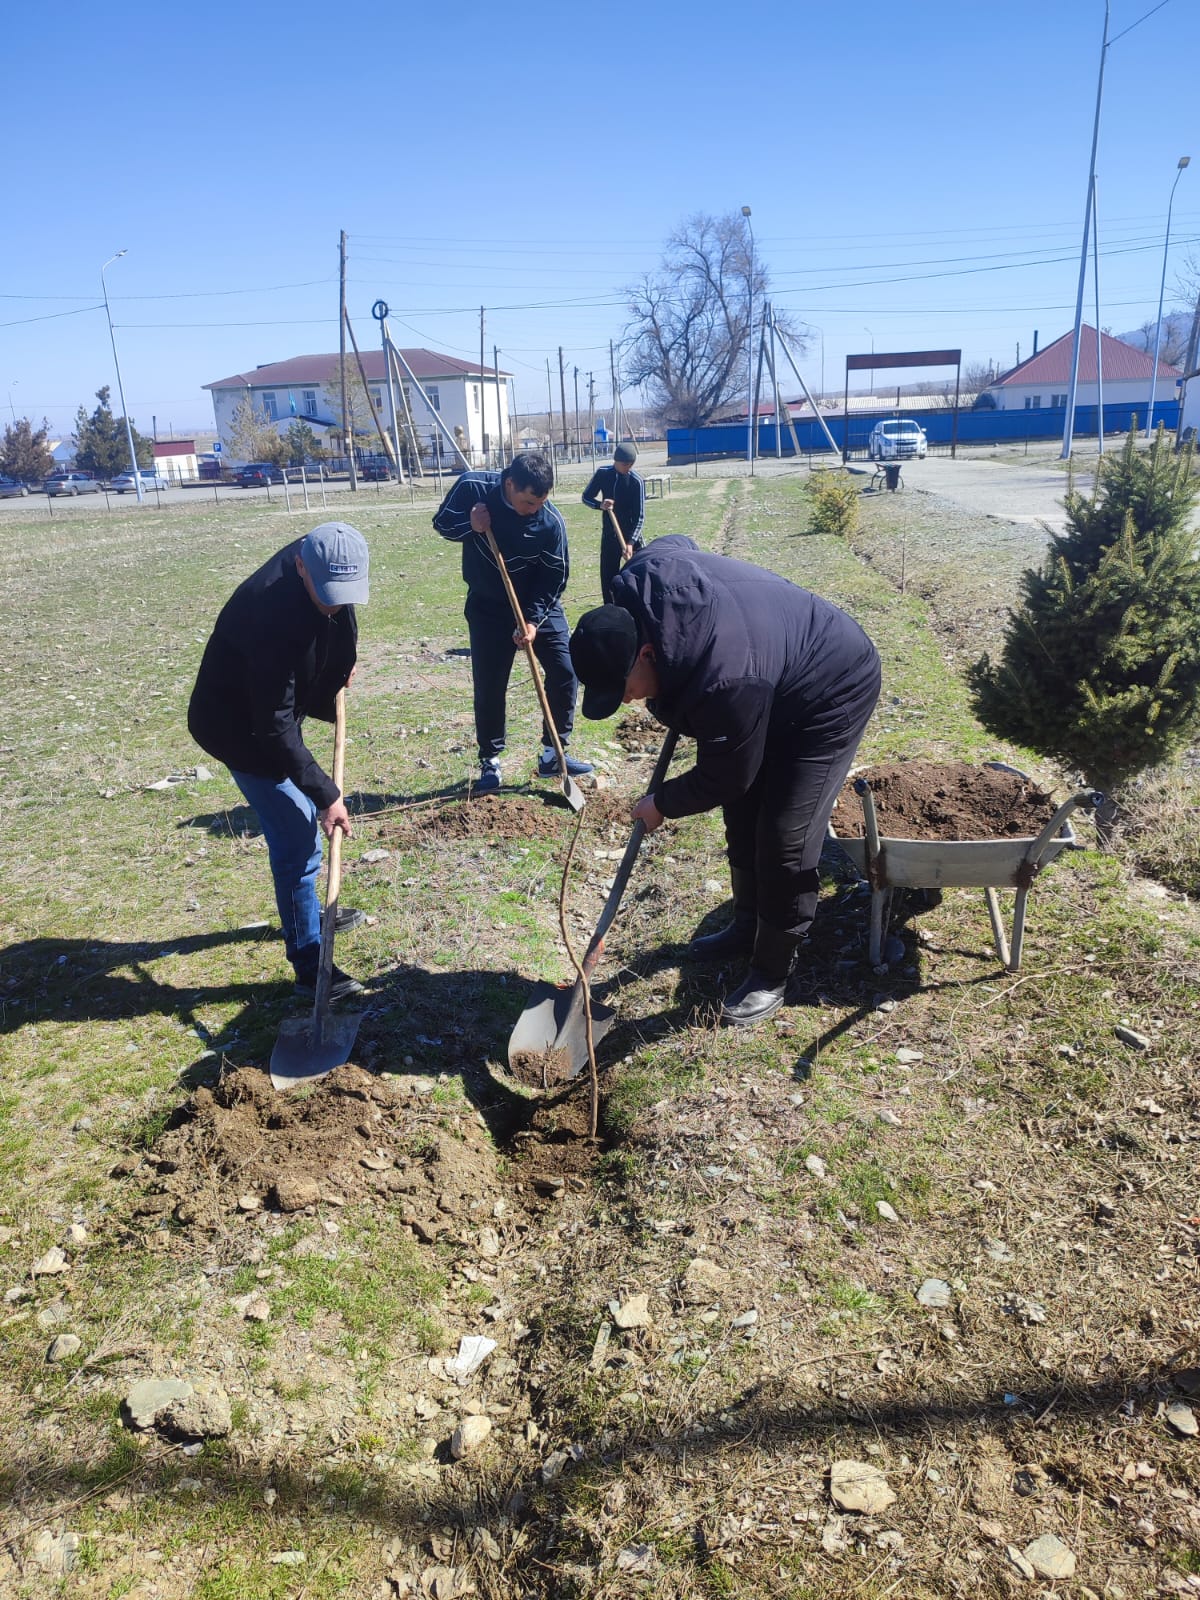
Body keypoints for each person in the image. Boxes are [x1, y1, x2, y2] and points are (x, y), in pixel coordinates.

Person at [569, 535, 881, 1027]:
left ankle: (771, 971)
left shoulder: (724, 678)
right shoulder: (640, 584)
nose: (627, 702)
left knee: (785, 835)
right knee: (742, 813)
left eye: (625, 690)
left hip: (831, 687)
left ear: (646, 653)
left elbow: (727, 774)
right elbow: (675, 543)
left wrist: (663, 803)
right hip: (770, 672)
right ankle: (745, 926)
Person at [188, 522, 370, 1001]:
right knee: (296, 834)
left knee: (303, 831)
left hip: (270, 713)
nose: (335, 602)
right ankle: (311, 964)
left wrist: (337, 670)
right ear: (300, 568)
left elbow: (337, 622)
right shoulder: (270, 613)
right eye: (327, 593)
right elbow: (273, 725)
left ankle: (309, 913)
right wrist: (326, 794)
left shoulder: (330, 558)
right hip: (239, 728)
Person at [433, 450, 592, 793]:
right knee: (490, 685)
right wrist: (471, 526)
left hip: (536, 603)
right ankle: (490, 760)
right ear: (509, 484)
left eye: (540, 501)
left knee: (566, 670)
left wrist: (533, 620)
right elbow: (442, 523)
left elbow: (555, 576)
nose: (533, 509)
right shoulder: (474, 488)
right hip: (488, 606)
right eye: (527, 501)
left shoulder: (550, 522)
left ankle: (553, 753)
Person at [581, 441, 645, 602]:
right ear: (615, 460)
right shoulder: (603, 474)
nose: (627, 468)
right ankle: (610, 611)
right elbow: (586, 497)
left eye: (630, 464)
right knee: (608, 579)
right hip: (610, 536)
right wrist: (600, 505)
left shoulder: (636, 481)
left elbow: (640, 517)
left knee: (637, 577)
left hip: (631, 539)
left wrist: (631, 543)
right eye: (624, 464)